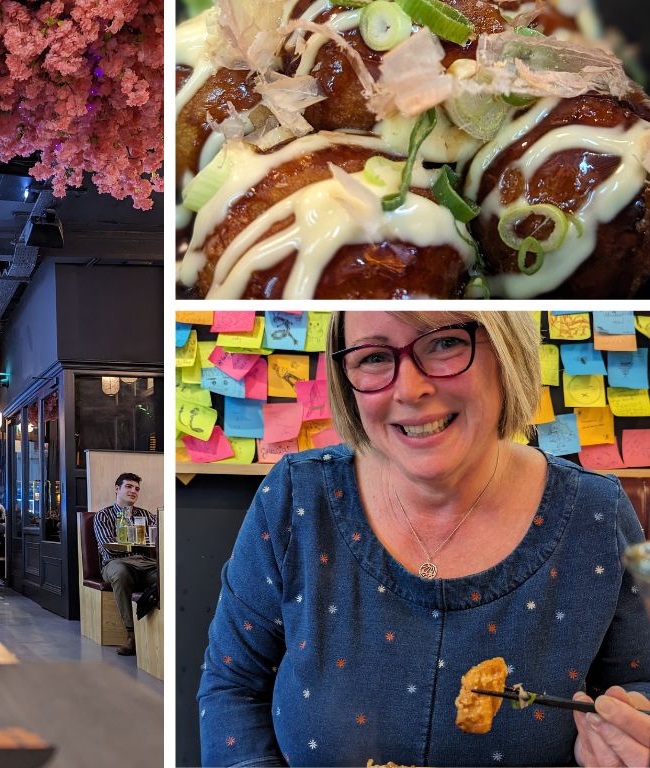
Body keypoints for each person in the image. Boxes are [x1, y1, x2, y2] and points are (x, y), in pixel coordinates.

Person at [198, 311, 650, 767]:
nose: (410, 389)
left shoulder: (598, 513)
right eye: (373, 356)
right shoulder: (297, 497)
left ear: (506, 352)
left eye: (444, 343)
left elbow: (640, 680)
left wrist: (630, 734)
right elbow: (233, 686)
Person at [93, 473, 159, 656]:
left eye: (136, 488)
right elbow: (111, 548)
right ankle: (131, 634)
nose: (133, 491)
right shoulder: (103, 515)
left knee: (165, 577)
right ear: (117, 489)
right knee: (121, 574)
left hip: (144, 564)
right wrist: (140, 543)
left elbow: (156, 543)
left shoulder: (147, 515)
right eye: (129, 487)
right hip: (114, 563)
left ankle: (156, 630)